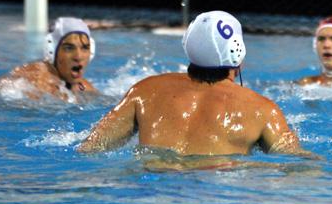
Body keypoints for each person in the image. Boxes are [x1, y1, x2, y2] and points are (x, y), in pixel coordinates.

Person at [78, 10, 307, 157]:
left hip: (151, 191)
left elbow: (90, 148)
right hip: (214, 196)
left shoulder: (143, 91)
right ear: (238, 53)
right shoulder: (262, 110)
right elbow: (296, 164)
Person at [0, 17, 98, 101]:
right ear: (51, 50)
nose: (78, 57)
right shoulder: (36, 77)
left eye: (85, 48)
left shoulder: (84, 87)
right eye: (69, 48)